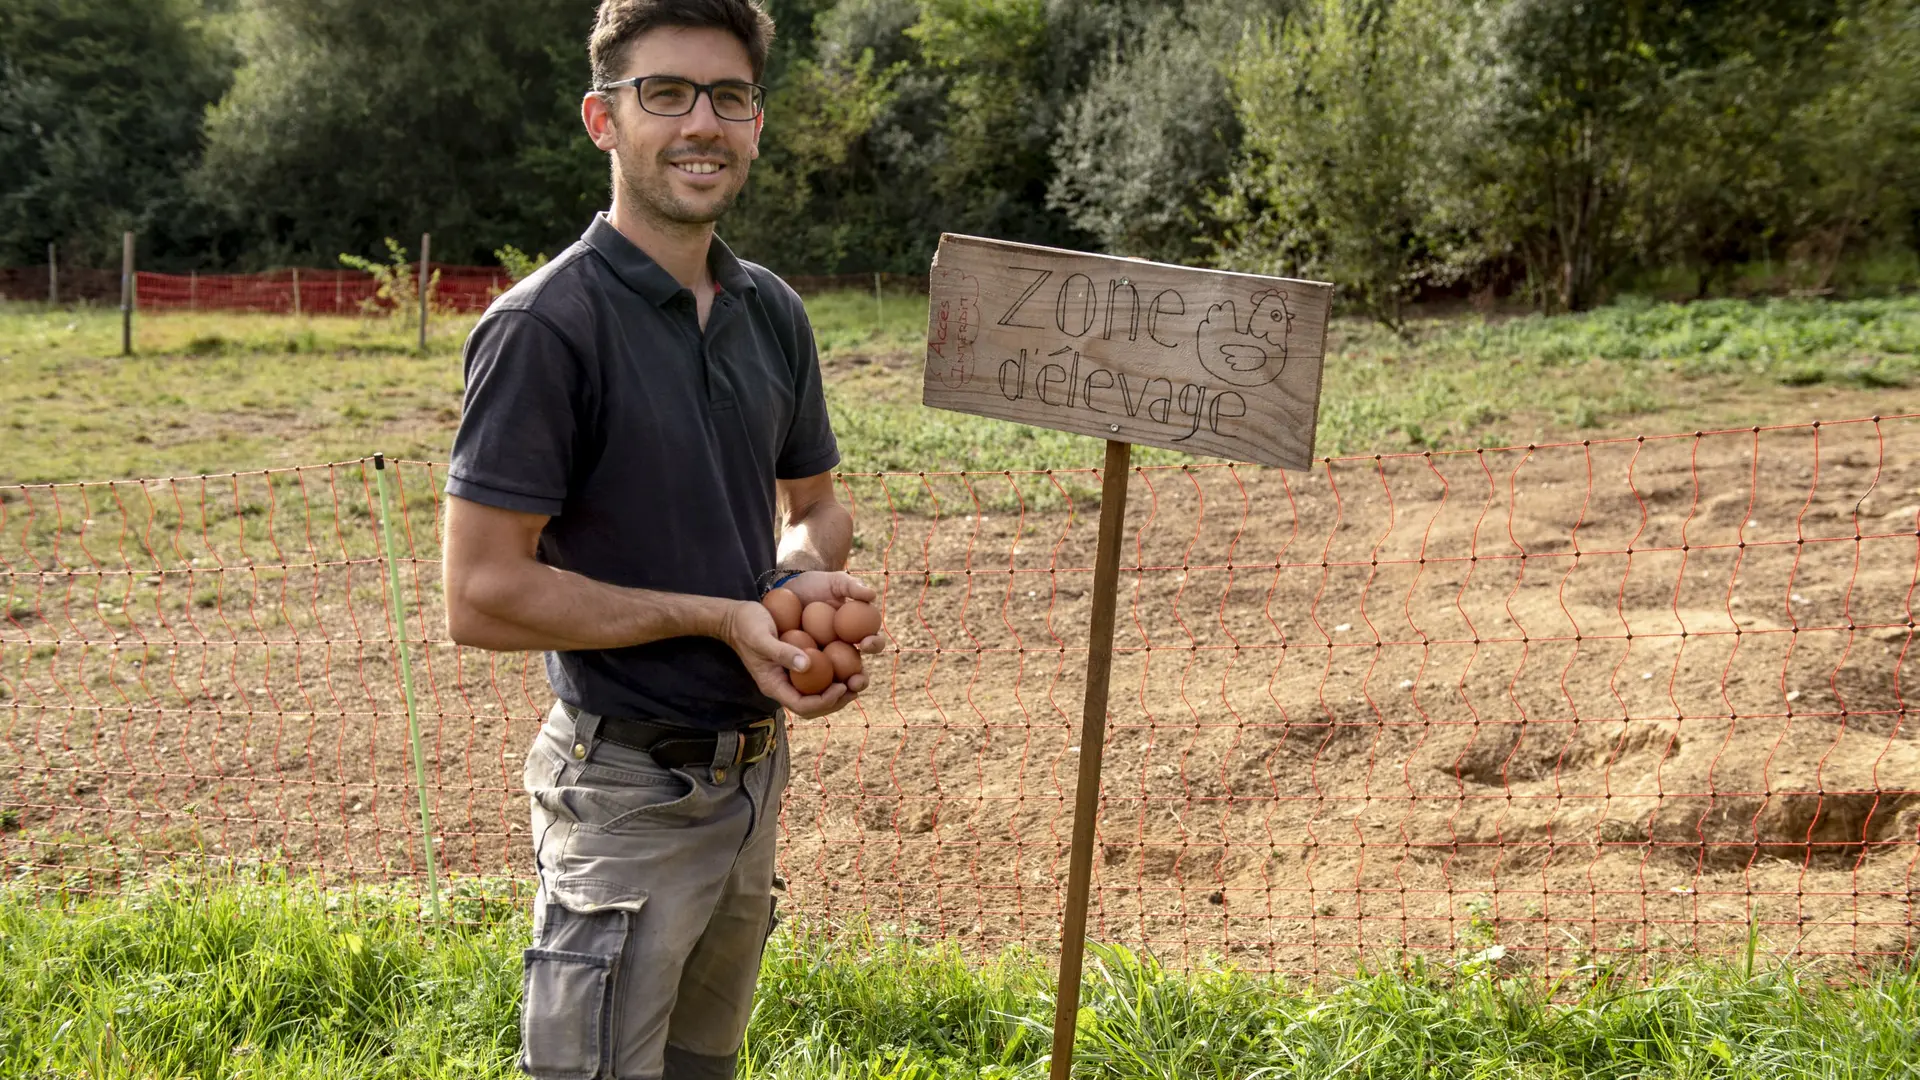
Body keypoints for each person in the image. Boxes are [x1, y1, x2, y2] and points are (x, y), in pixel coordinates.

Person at [440, 2, 883, 1076]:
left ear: (758, 125)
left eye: (730, 98)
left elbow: (818, 502)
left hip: (748, 783)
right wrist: (715, 617)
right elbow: (481, 595)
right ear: (604, 119)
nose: (703, 123)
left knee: (701, 1067)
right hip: (625, 792)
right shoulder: (546, 328)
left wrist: (794, 580)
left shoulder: (771, 311)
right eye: (667, 93)